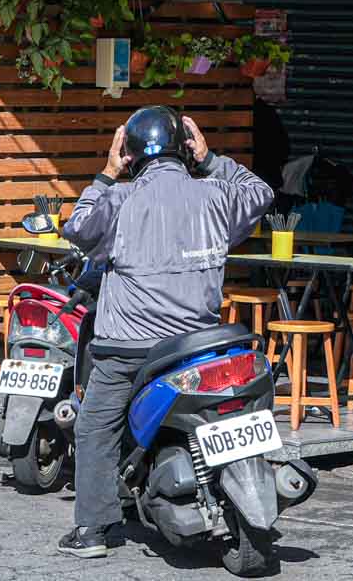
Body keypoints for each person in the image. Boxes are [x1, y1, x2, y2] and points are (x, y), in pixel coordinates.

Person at [55, 107, 273, 559]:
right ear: (185, 148)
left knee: (94, 427)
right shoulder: (216, 194)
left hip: (128, 350)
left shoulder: (120, 198)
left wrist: (107, 173)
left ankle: (92, 530)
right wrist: (212, 159)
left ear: (130, 153)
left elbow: (78, 228)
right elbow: (261, 193)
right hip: (197, 347)